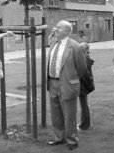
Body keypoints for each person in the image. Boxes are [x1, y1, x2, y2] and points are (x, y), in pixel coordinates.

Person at [47, 20, 87, 151]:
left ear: (66, 31)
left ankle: (72, 140)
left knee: (69, 114)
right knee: (55, 112)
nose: (55, 30)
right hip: (52, 82)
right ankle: (59, 137)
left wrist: (72, 79)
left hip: (68, 83)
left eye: (58, 28)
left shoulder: (75, 46)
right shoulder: (54, 43)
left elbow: (82, 68)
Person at [78, 42, 95, 130]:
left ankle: (84, 125)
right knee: (84, 105)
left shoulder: (84, 61)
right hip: (84, 85)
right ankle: (85, 123)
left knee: (83, 105)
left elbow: (85, 76)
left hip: (83, 86)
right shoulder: (86, 59)